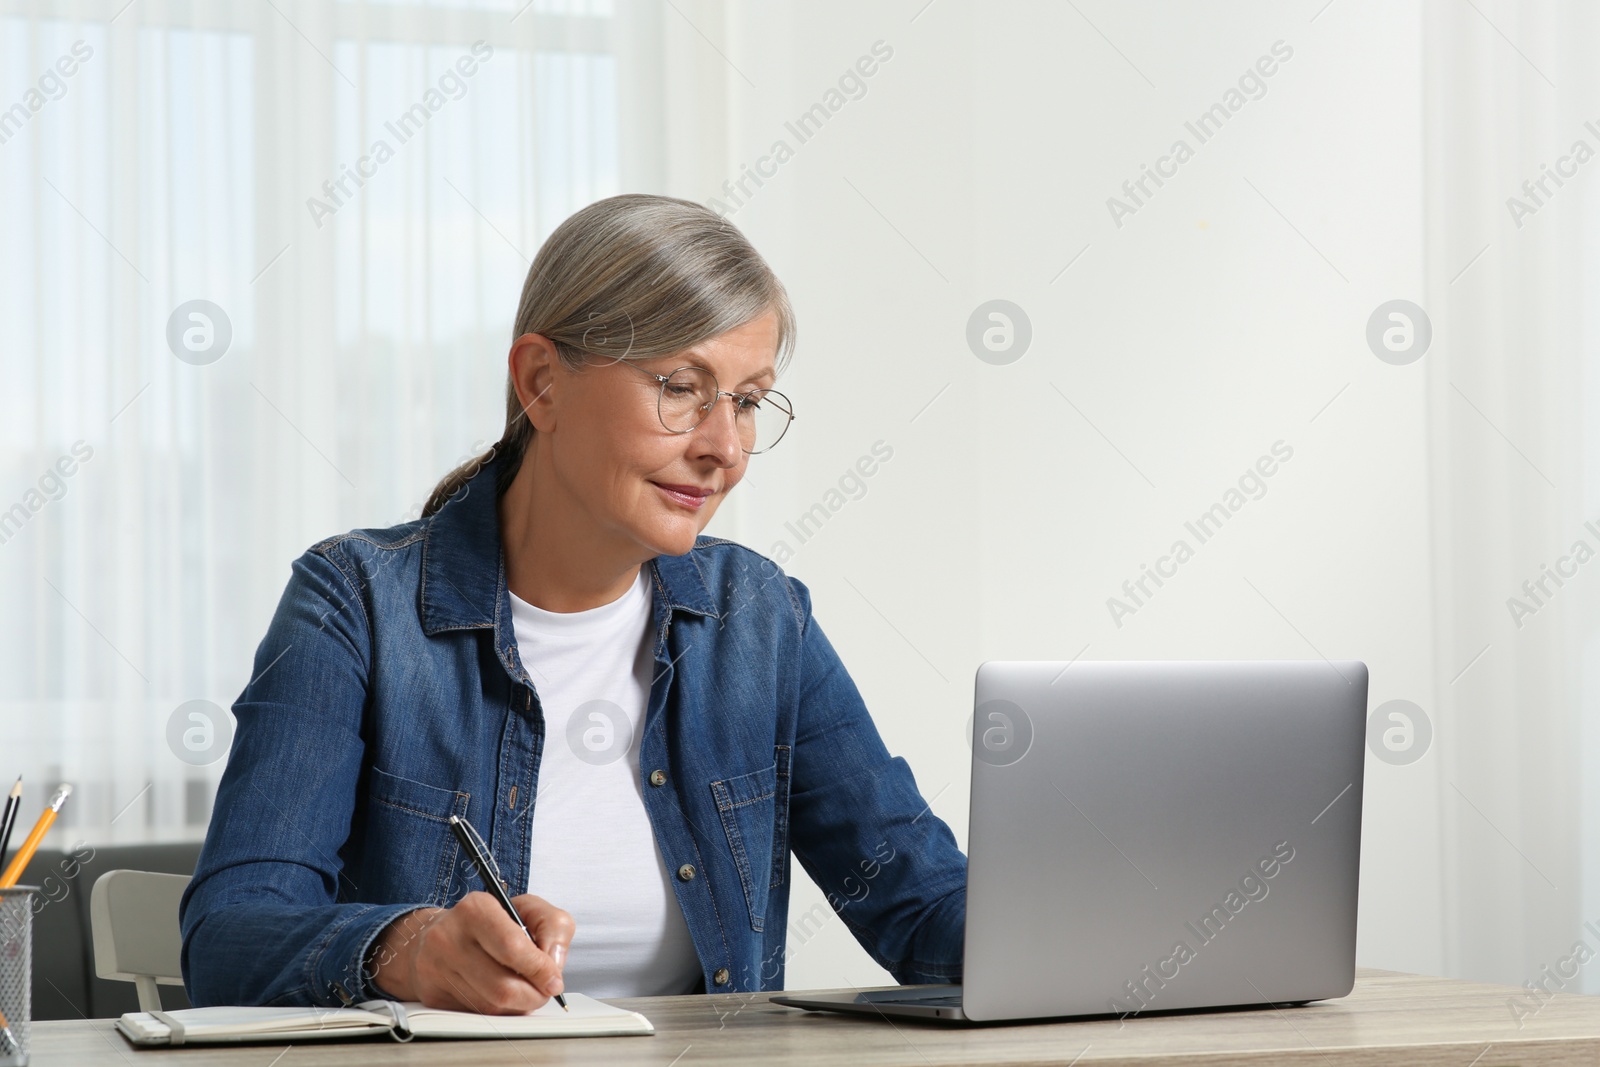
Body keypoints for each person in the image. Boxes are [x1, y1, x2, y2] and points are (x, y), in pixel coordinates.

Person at [179, 193, 967, 1013]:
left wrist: (1089, 929)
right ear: (542, 382)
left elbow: (918, 900)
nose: (724, 448)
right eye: (683, 386)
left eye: (747, 399)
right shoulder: (356, 605)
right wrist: (404, 949)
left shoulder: (761, 619)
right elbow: (230, 939)